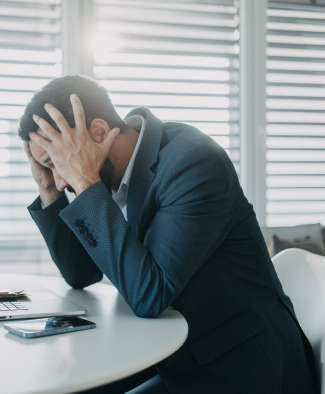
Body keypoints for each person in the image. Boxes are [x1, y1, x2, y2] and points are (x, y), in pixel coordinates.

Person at [18, 75, 318, 394]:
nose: (63, 182)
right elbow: (81, 273)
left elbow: (151, 294)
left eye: (58, 163)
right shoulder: (100, 175)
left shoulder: (193, 162)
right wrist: (47, 188)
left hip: (243, 368)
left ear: (100, 132)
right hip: (175, 356)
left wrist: (86, 181)